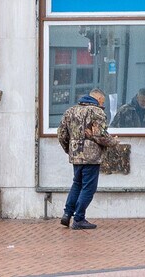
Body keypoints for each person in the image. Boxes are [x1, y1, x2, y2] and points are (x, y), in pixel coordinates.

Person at [57, 89, 117, 229]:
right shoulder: (97, 112)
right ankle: (79, 218)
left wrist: (69, 149)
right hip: (91, 156)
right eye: (102, 101)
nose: (102, 105)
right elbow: (100, 135)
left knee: (77, 183)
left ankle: (67, 214)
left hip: (76, 155)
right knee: (88, 188)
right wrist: (113, 142)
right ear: (97, 98)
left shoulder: (70, 111)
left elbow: (61, 134)